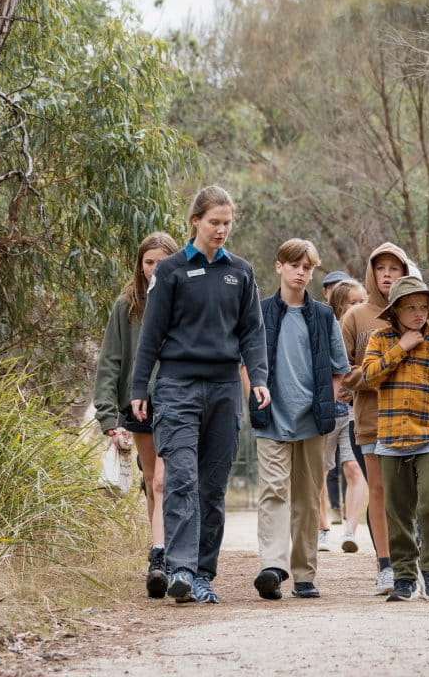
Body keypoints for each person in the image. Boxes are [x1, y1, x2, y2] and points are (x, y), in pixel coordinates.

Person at [130, 186, 270, 605]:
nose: (221, 230)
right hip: (177, 385)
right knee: (181, 479)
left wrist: (258, 378)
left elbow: (252, 332)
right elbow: (151, 333)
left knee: (211, 485)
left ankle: (203, 573)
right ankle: (181, 570)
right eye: (214, 223)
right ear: (195, 221)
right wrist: (140, 387)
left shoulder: (241, 272)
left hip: (225, 387)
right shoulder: (171, 271)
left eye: (227, 223)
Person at [353, 277, 429, 601]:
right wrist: (401, 347)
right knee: (398, 511)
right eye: (411, 307)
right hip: (391, 439)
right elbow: (368, 377)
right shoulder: (380, 339)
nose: (419, 313)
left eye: (424, 307)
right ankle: (406, 577)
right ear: (395, 311)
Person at [251, 239, 350, 600]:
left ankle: (304, 574)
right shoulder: (260, 312)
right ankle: (272, 568)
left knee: (307, 499)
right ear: (279, 266)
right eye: (294, 265)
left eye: (307, 267)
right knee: (273, 492)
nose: (301, 272)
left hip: (312, 420)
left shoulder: (324, 316)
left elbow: (340, 369)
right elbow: (246, 361)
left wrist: (328, 398)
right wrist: (255, 392)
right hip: (271, 419)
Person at [93, 231, 181, 598]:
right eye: (148, 262)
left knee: (164, 481)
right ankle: (161, 553)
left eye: (162, 262)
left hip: (177, 398)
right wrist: (108, 416)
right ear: (139, 264)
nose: (154, 269)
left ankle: (163, 555)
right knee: (151, 482)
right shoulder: (127, 305)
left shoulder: (183, 299)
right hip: (139, 403)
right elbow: (111, 360)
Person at [338, 242, 412, 594]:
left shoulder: (415, 313)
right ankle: (385, 565)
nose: (386, 274)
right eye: (380, 268)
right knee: (379, 491)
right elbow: (342, 377)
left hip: (412, 419)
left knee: (409, 492)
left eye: (393, 268)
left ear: (404, 273)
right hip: (369, 418)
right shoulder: (355, 317)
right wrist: (377, 372)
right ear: (371, 273)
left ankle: (410, 561)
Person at [327, 278, 368, 552]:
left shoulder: (366, 331)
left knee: (354, 468)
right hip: (328, 410)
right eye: (354, 302)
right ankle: (321, 528)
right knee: (320, 471)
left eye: (362, 302)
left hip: (354, 411)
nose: (359, 307)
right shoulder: (327, 328)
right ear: (340, 305)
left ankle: (350, 530)